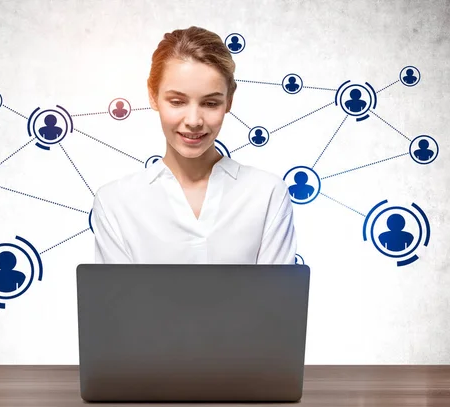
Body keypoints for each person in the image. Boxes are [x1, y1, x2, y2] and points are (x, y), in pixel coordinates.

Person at [92, 26, 297, 264]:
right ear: (152, 95)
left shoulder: (266, 194)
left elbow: (276, 299)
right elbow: (116, 300)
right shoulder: (116, 202)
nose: (193, 121)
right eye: (177, 101)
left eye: (210, 103)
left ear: (229, 100)